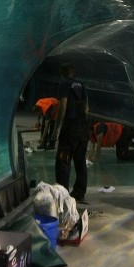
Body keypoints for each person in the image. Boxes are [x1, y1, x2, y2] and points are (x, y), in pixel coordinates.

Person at [54, 62, 89, 203]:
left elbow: (62, 107)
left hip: (70, 129)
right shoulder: (82, 85)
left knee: (63, 161)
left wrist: (56, 129)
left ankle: (63, 195)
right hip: (82, 129)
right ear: (73, 73)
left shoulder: (64, 85)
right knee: (80, 162)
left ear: (62, 74)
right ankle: (79, 193)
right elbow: (87, 109)